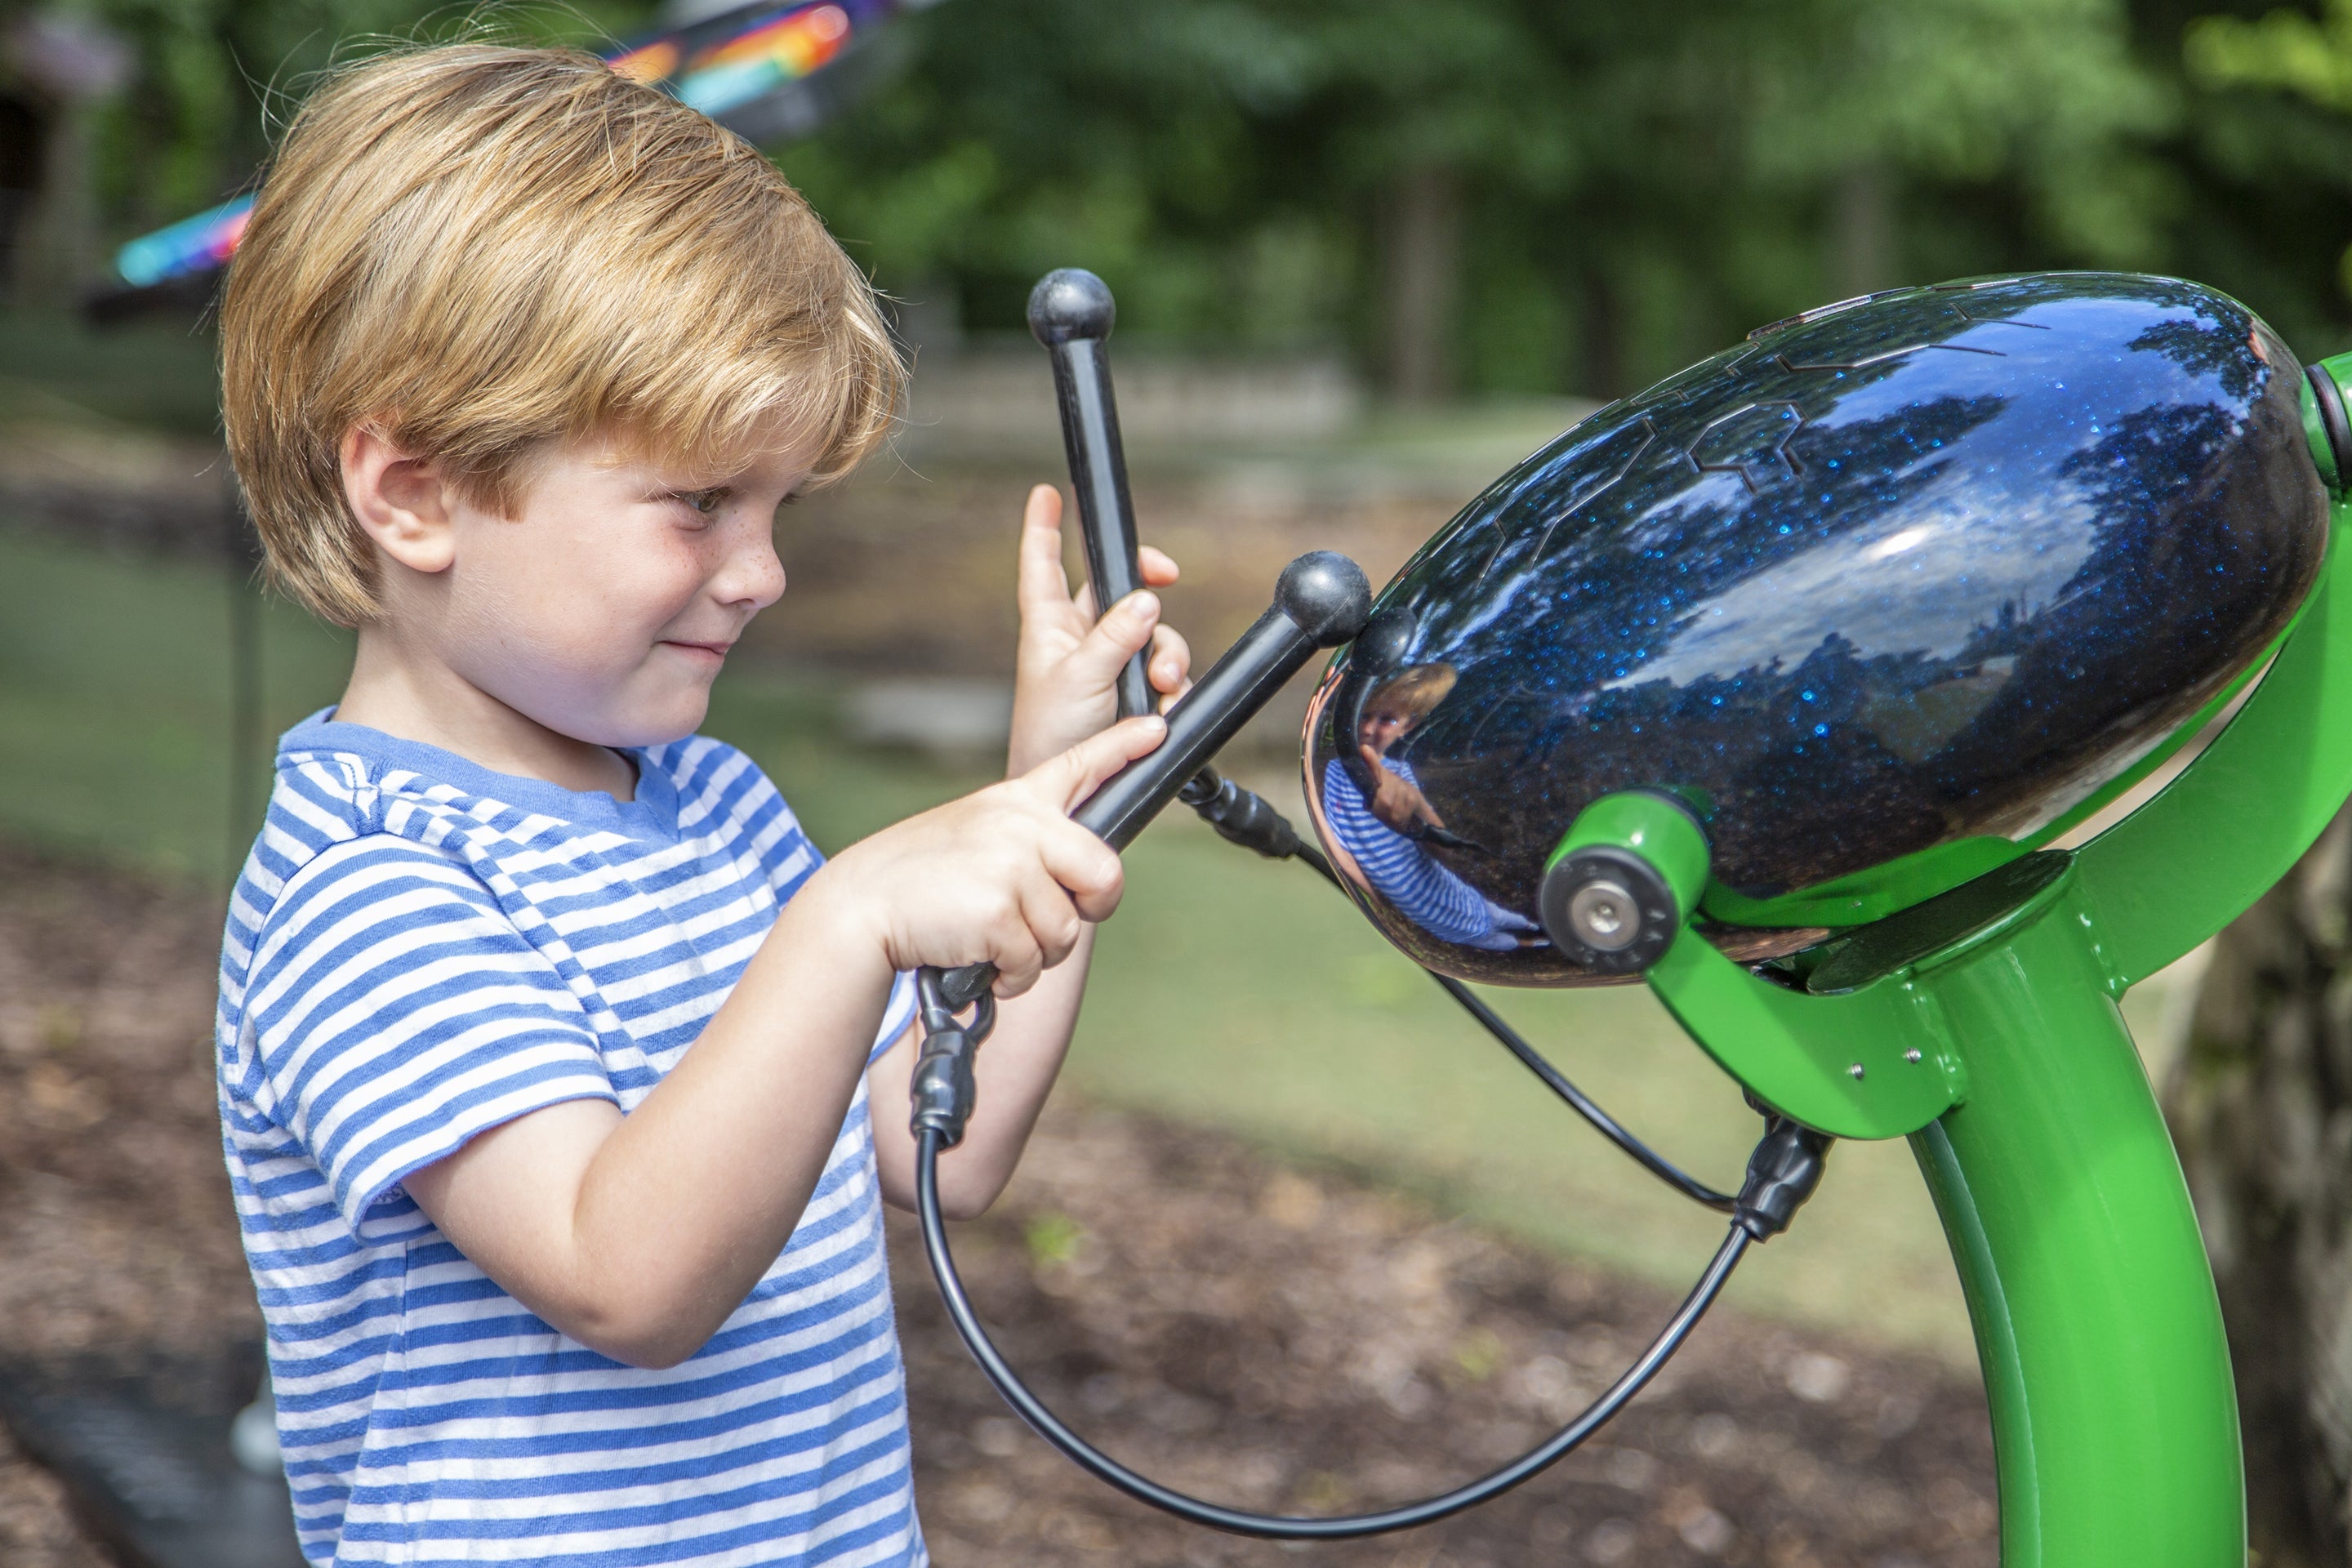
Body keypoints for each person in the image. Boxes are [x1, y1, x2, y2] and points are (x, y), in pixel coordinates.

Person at [211, 43, 1193, 1566]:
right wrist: (848, 916)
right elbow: (627, 1274)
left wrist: (1052, 792)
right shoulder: (369, 888)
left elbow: (939, 1145)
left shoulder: (712, 805)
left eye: (775, 506)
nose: (761, 572)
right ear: (412, 496)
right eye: (695, 503)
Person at [1321, 664, 1537, 951]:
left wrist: (1416, 805)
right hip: (1426, 913)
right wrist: (1380, 906)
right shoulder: (1336, 772)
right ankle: (1532, 945)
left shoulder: (1402, 772)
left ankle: (1542, 931)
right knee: (1500, 942)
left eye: (1387, 720)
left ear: (1407, 728)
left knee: (1506, 916)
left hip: (1448, 889)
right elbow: (1335, 843)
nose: (1369, 729)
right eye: (1365, 715)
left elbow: (1442, 844)